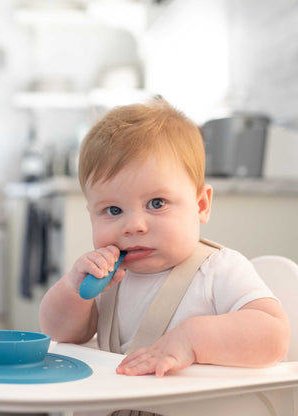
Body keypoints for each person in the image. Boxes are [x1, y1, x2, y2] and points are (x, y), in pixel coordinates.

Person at [39, 98, 290, 378]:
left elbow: (274, 337)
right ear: (91, 215)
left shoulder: (218, 270)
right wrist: (73, 289)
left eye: (157, 203)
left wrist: (192, 340)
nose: (133, 226)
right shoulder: (105, 279)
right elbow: (59, 333)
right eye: (113, 210)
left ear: (201, 205)